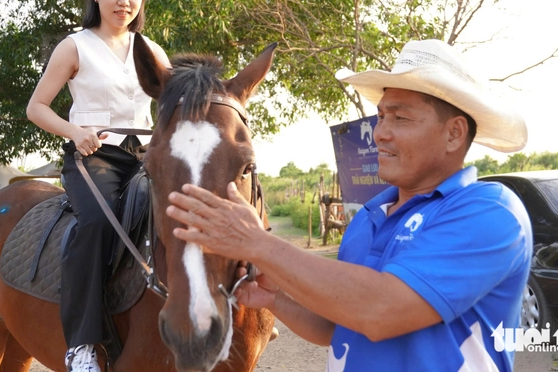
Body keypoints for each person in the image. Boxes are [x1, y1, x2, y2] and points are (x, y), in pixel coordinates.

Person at [165, 39, 533, 371]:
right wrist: (275, 299)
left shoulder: (490, 212)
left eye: (400, 118)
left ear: (454, 133)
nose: (381, 132)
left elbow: (380, 310)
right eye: (382, 116)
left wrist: (257, 243)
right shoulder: (370, 218)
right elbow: (338, 325)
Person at [26, 0, 170, 372]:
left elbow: (171, 103)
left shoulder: (151, 50)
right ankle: (82, 344)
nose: (123, 1)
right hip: (95, 158)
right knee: (96, 226)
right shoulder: (75, 46)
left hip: (144, 157)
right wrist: (75, 132)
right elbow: (37, 107)